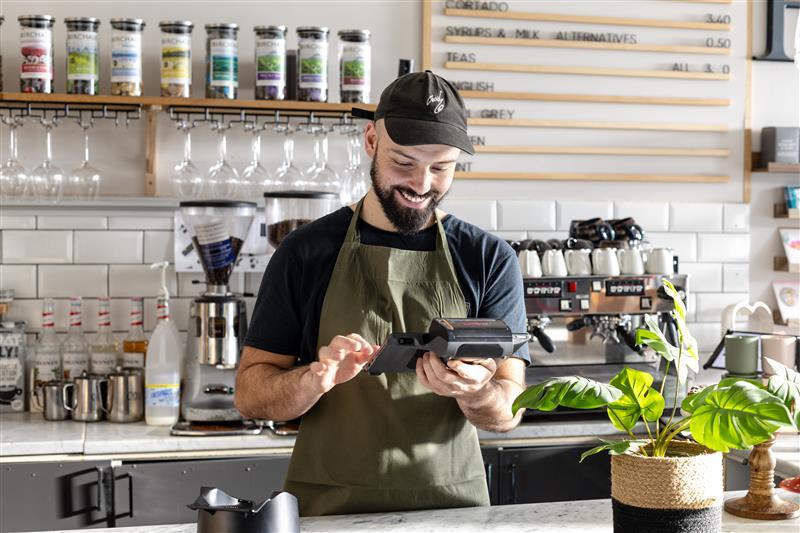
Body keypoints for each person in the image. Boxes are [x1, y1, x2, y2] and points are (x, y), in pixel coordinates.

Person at [236, 71, 530, 516]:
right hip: (331, 511)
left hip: (452, 511)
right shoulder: (306, 251)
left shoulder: (488, 258)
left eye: (441, 168)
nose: (421, 184)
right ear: (371, 140)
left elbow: (508, 411)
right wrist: (314, 379)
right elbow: (250, 394)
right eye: (404, 163)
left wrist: (475, 392)